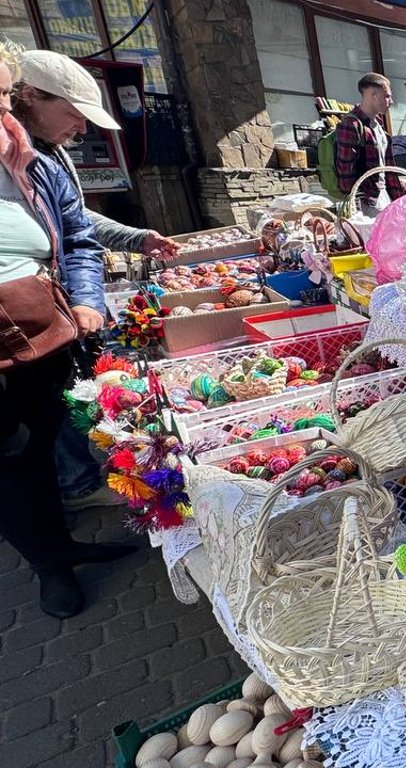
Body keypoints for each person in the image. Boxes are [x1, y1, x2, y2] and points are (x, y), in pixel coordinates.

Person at [0, 43, 135, 619]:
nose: (4, 109)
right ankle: (49, 566)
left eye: (3, 96)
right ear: (36, 97)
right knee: (10, 459)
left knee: (42, 440)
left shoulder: (32, 156)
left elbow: (78, 235)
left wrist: (85, 300)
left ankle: (63, 542)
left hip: (40, 324)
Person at [13, 49, 179, 516]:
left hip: (56, 299)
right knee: (51, 401)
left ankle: (77, 480)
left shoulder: (48, 151)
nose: (82, 127)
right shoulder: (20, 152)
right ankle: (76, 485)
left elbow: (76, 223)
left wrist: (136, 238)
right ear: (31, 97)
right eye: (74, 114)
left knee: (63, 392)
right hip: (28, 306)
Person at [336, 72, 406, 215]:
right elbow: (345, 170)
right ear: (374, 95)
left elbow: (387, 169)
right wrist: (357, 204)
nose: (391, 101)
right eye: (387, 96)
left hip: (384, 198)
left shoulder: (378, 126)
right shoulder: (352, 124)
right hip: (366, 202)